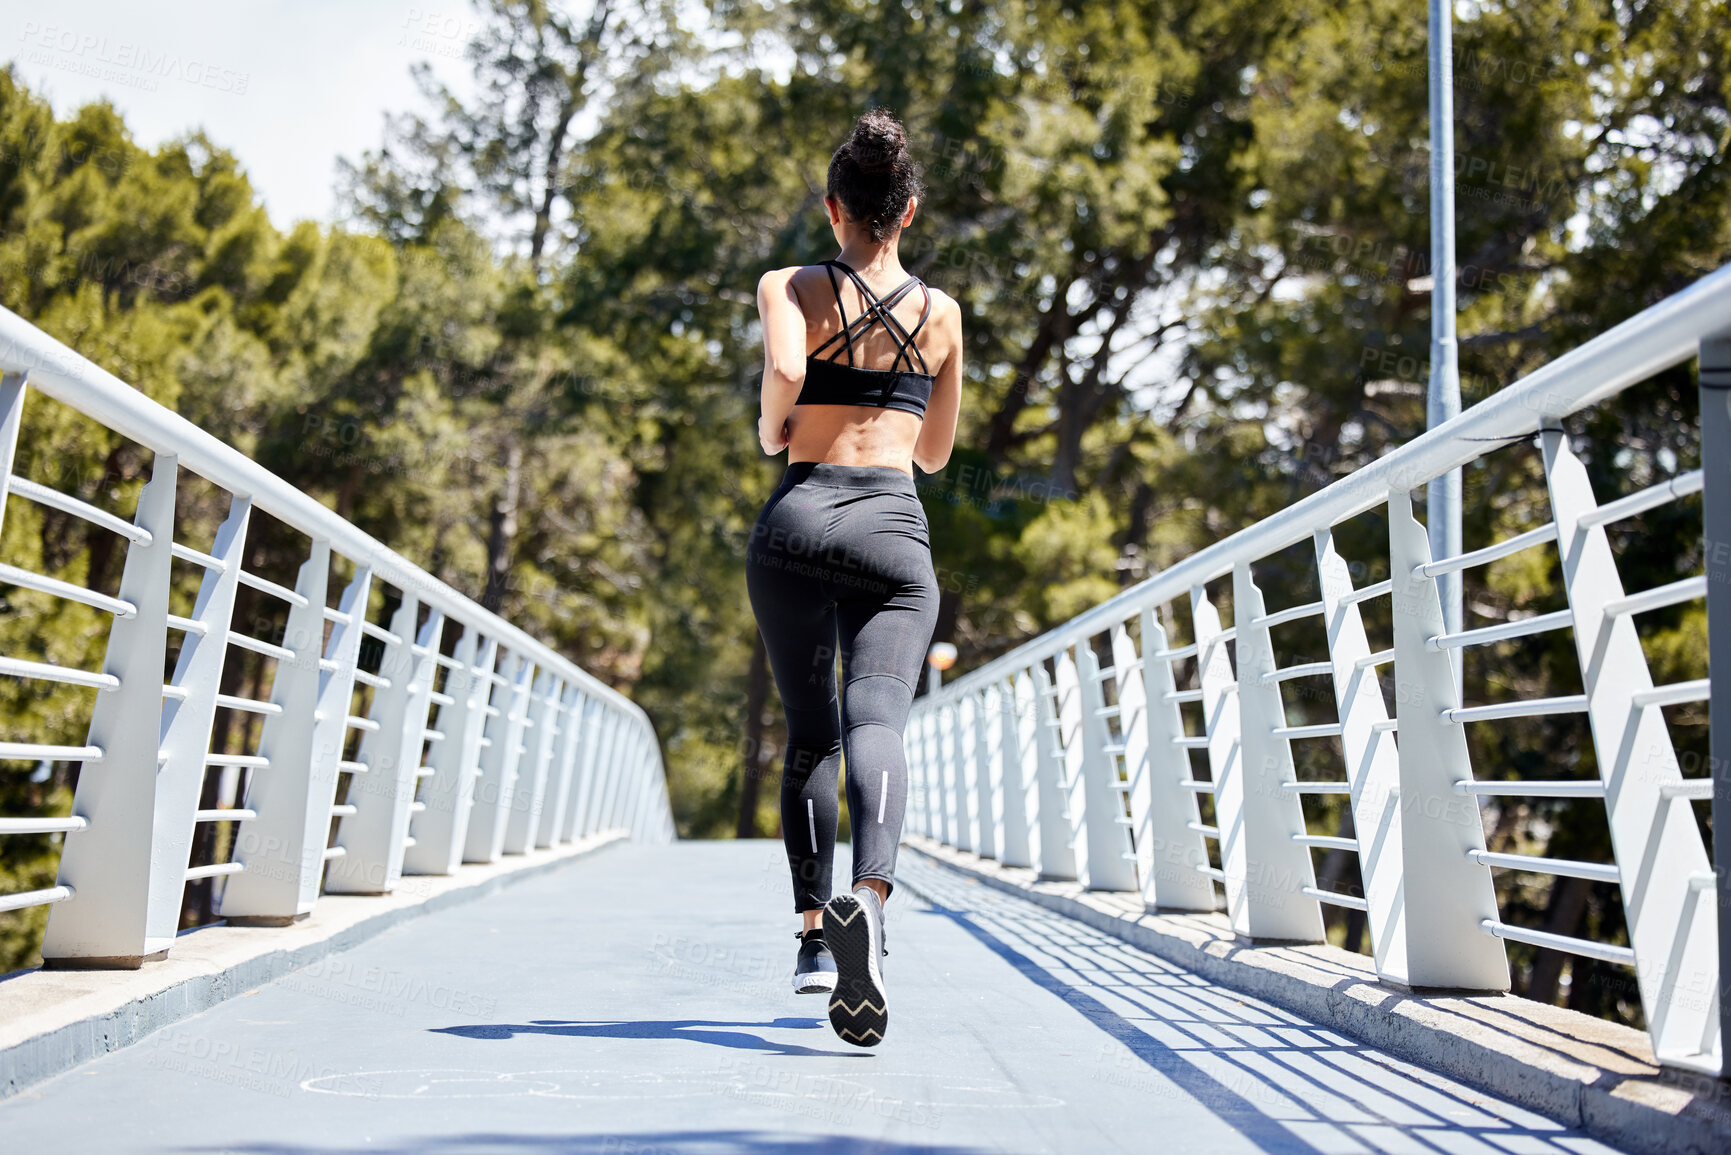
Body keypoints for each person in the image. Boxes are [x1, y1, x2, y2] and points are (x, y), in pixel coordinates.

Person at [745, 109, 963, 1048]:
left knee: (811, 732)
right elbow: (940, 452)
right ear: (905, 213)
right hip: (891, 527)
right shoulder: (942, 313)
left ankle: (806, 937)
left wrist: (773, 425)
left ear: (834, 208)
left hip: (798, 514)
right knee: (878, 721)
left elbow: (785, 379)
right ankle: (867, 898)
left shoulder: (786, 285)